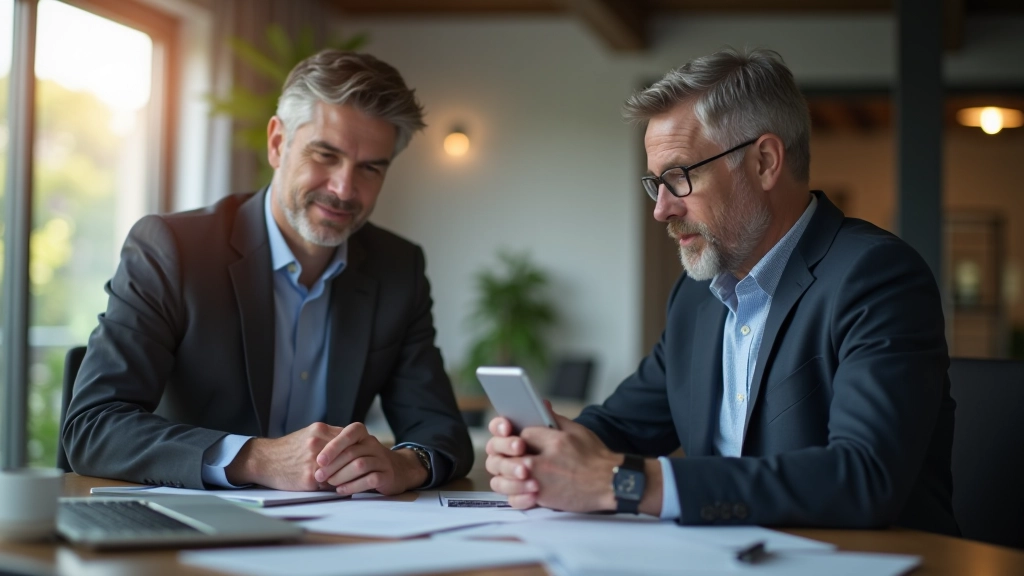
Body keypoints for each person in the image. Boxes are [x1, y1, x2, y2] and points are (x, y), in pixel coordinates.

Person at [485, 47, 958, 535]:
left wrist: (627, 483)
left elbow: (864, 477)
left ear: (765, 162)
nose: (662, 209)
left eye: (680, 176)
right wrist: (543, 449)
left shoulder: (877, 276)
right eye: (655, 184)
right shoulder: (696, 298)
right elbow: (622, 427)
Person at [62, 50, 473, 494]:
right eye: (325, 154)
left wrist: (404, 464)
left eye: (370, 168)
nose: (344, 188)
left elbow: (441, 432)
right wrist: (256, 458)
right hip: (189, 533)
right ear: (278, 142)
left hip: (336, 535)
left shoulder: (398, 268)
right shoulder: (172, 249)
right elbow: (93, 426)